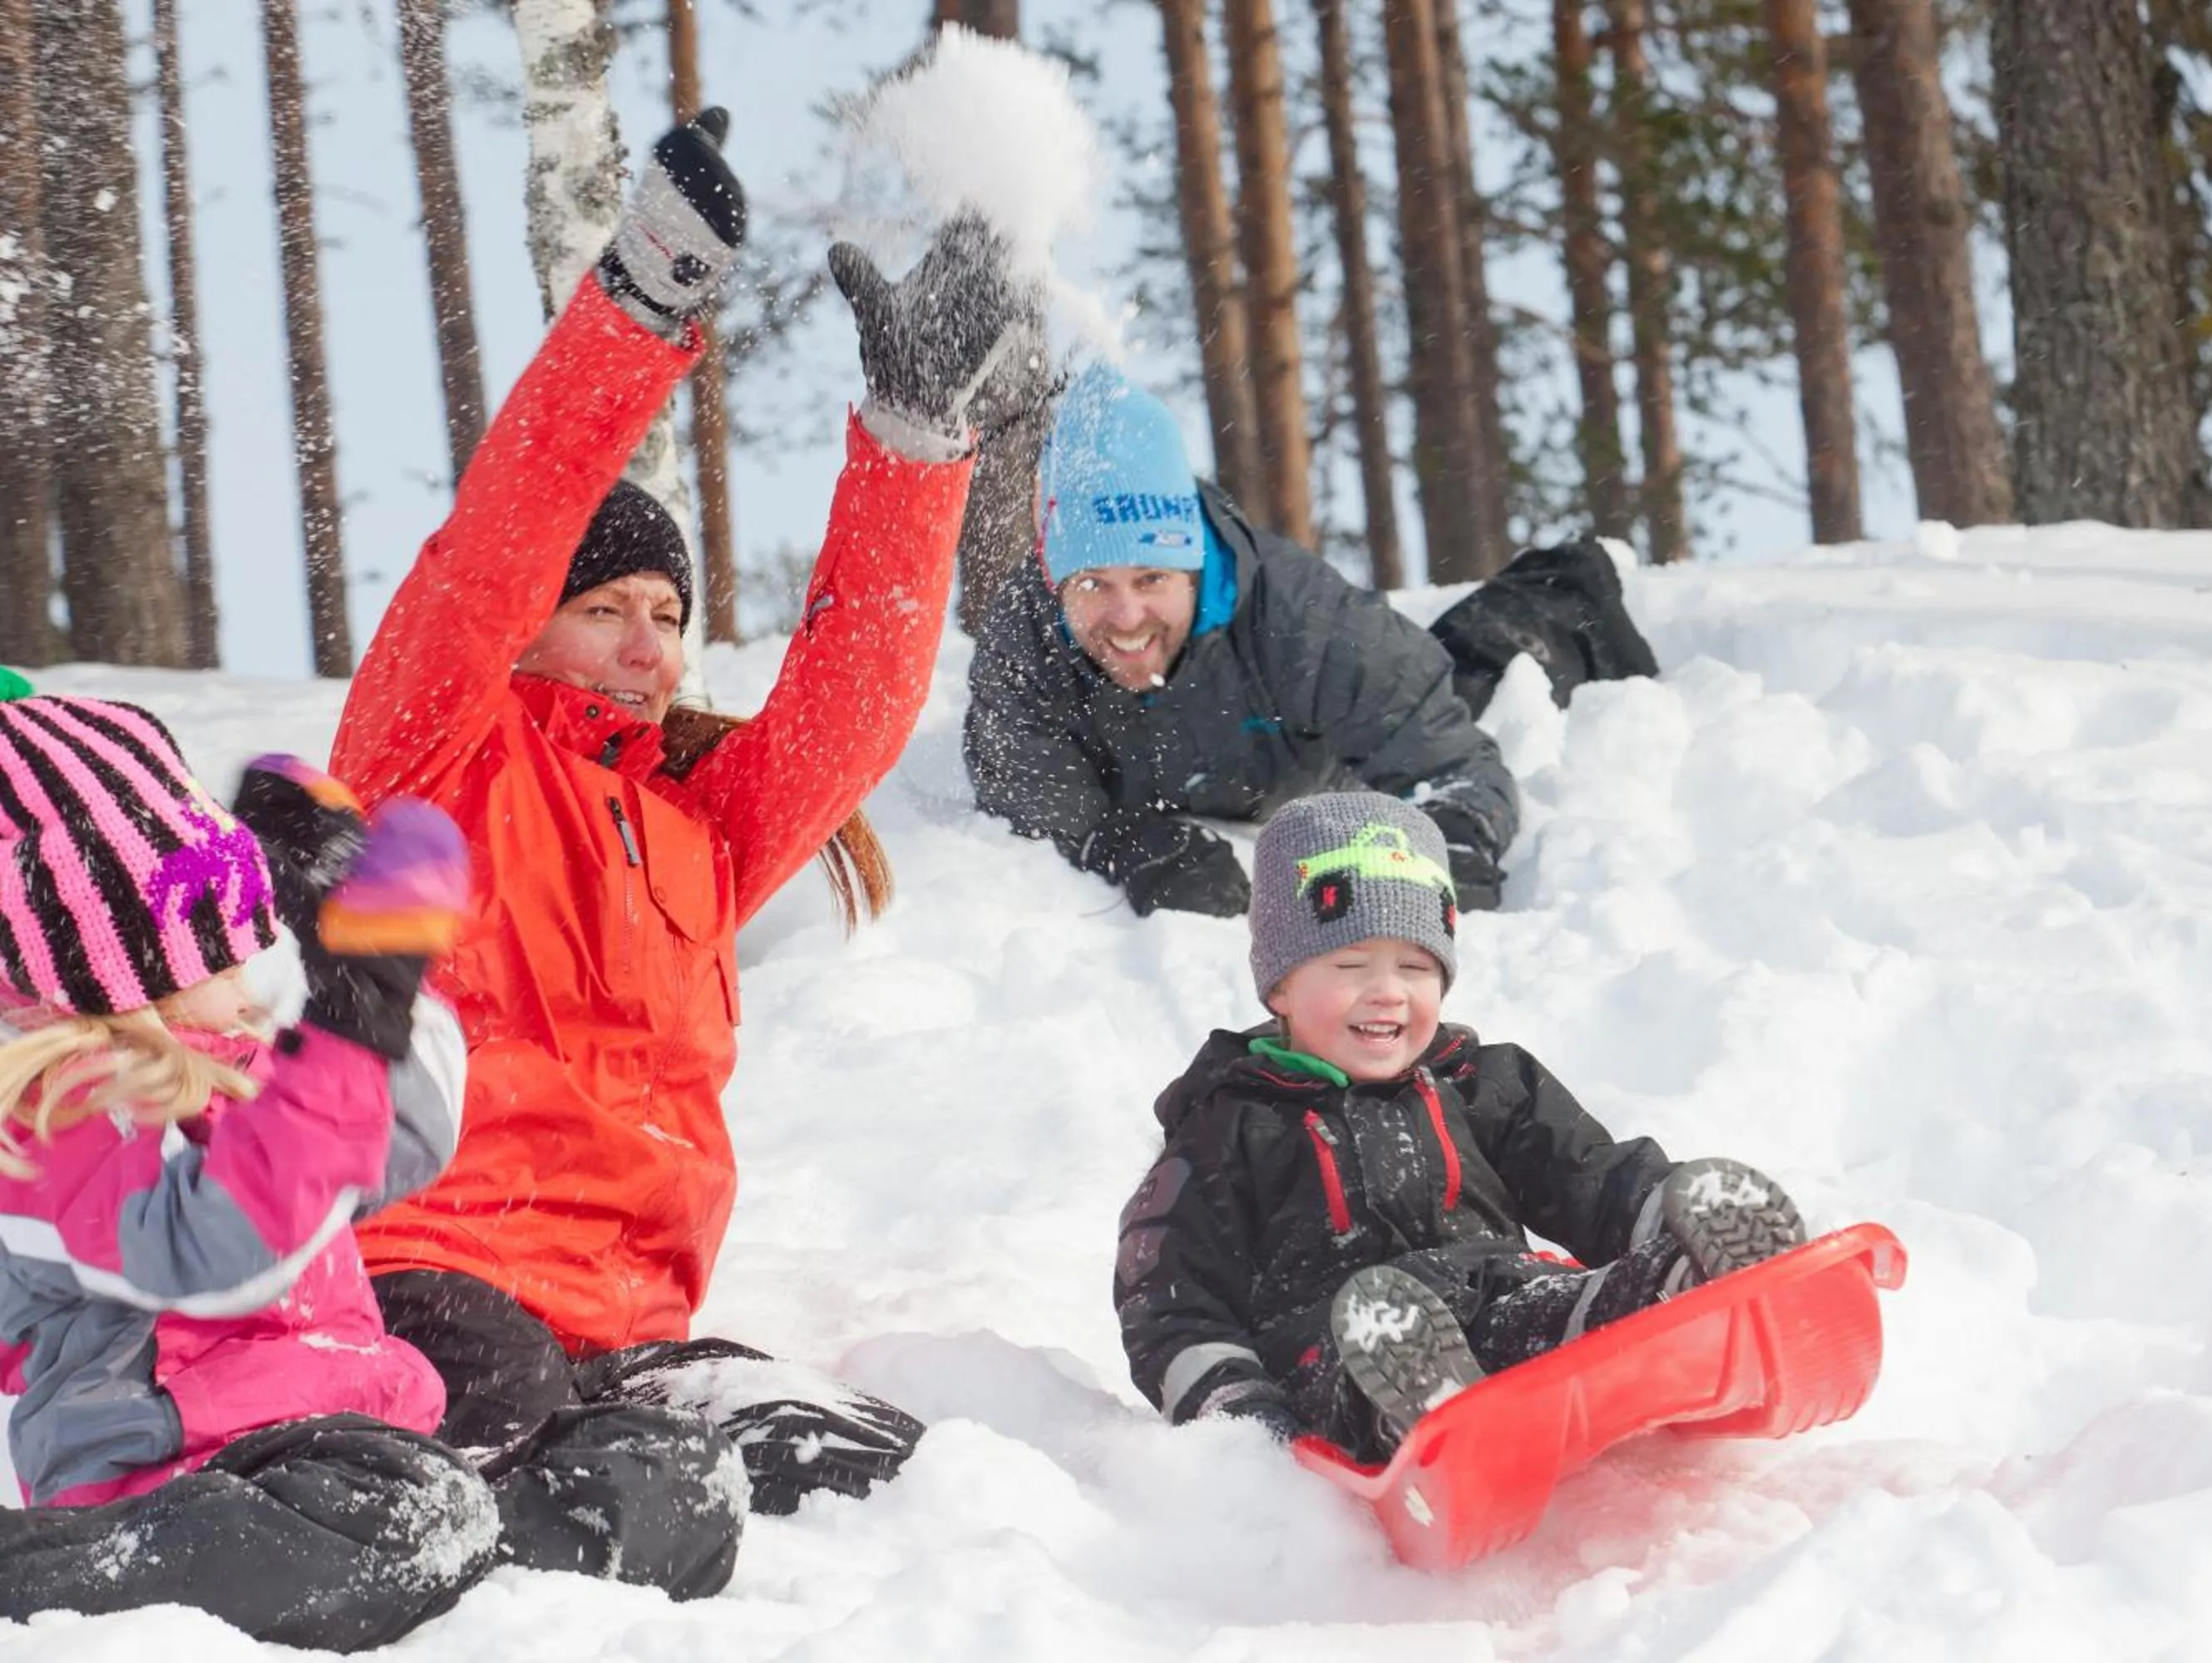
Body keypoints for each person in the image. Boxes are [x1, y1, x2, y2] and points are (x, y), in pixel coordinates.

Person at [328, 111, 1028, 1517]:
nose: (653, 649)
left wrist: (914, 444)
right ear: (531, 627)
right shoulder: (436, 763)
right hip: (440, 1284)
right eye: (606, 611)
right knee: (550, 1506)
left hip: (634, 1330)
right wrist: (634, 309)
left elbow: (851, 710)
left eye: (669, 615)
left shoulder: (695, 833)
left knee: (879, 1482)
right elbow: (494, 543)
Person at [0, 704, 496, 1647]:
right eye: (215, 938)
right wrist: (346, 1033)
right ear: (110, 960)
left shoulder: (237, 1058)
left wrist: (366, 982)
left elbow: (409, 1133)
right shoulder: (51, 1113)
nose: (247, 962)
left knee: (620, 1468)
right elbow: (211, 1248)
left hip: (326, 1441)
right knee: (424, 1516)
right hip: (175, 1469)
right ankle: (55, 1574)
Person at [1112, 792, 1808, 1459]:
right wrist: (1239, 1416)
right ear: (1280, 987)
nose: (1387, 991)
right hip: (1333, 1348)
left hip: (1498, 1298)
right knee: (1364, 1353)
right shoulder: (1225, 1127)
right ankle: (1414, 1417)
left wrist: (1666, 1213)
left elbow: (1592, 1175)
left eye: (1416, 968)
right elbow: (1172, 1302)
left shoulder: (1480, 1084)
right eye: (1350, 964)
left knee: (1555, 1304)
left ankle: (1686, 1289)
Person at [965, 366, 1521, 920]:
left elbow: (1451, 765)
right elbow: (1026, 790)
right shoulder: (1025, 638)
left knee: (1489, 655)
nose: (1127, 616)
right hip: (1179, 785)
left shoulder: (1300, 614)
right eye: (1092, 584)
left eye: (1151, 578)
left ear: (1193, 568)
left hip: (1311, 775)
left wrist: (1450, 850)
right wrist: (1123, 843)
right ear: (1054, 580)